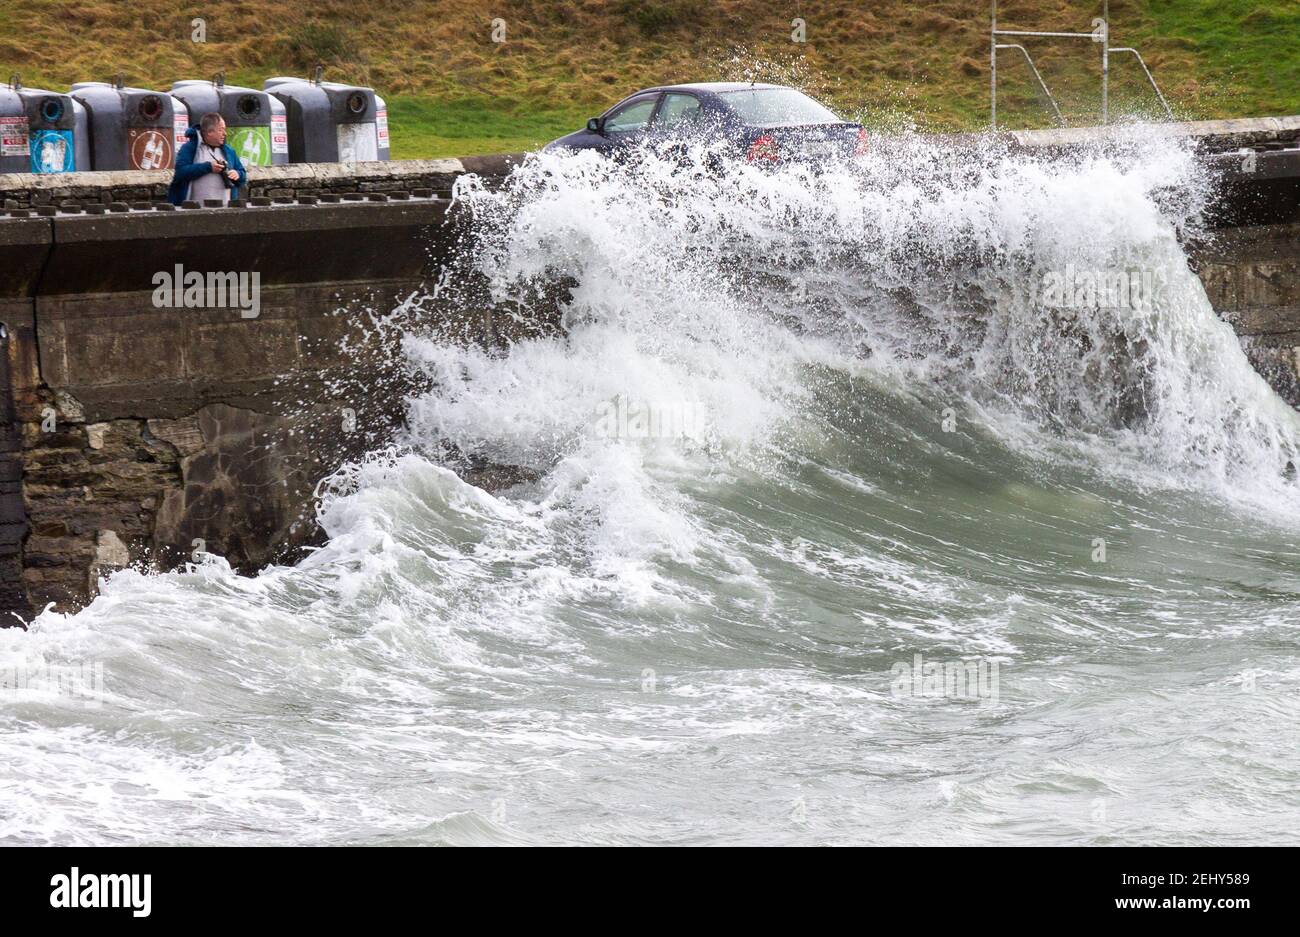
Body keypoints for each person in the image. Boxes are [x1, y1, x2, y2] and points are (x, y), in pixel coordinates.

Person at [167, 112, 247, 205]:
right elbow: (180, 172)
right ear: (209, 132)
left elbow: (242, 175)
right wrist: (208, 167)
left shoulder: (229, 151)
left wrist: (238, 174)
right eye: (221, 130)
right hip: (194, 211)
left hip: (225, 211)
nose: (225, 134)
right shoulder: (189, 148)